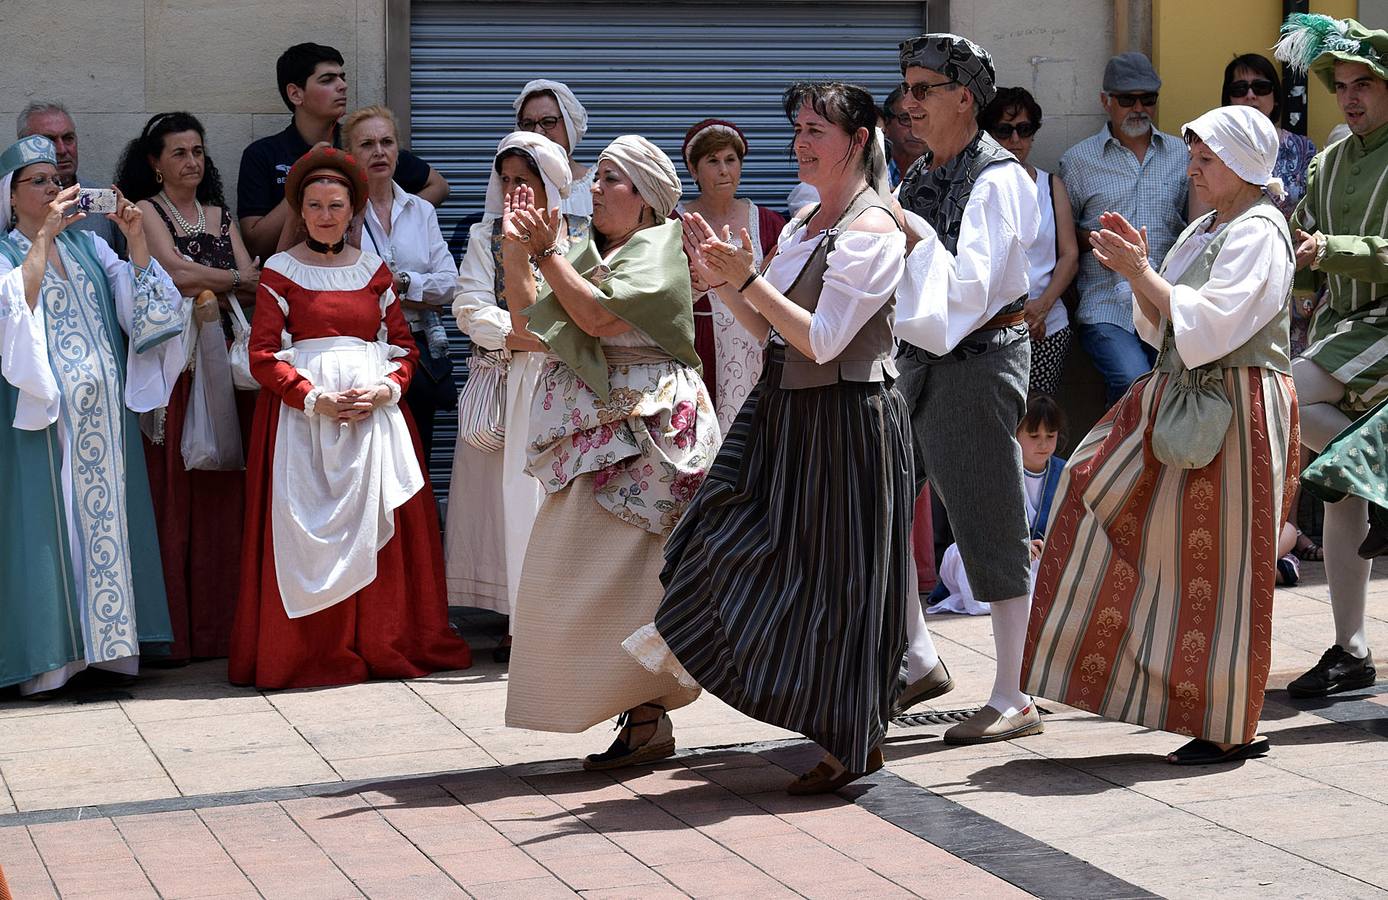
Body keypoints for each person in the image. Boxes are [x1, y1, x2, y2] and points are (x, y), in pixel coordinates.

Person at [636, 81, 926, 794]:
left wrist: (748, 279)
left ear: (858, 142)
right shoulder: (801, 226)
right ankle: (842, 714)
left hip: (850, 420)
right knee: (720, 544)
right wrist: (725, 282)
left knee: (844, 587)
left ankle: (854, 736)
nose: (800, 142)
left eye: (816, 131)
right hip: (788, 415)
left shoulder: (874, 230)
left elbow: (825, 342)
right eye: (797, 128)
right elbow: (769, 331)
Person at [1023, 105, 1298, 766]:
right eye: (1197, 156)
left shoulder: (1260, 230)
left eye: (1206, 158)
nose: (1194, 169)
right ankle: (1147, 687)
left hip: (1237, 406)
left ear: (1240, 164)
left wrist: (1140, 273)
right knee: (1102, 500)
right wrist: (1138, 272)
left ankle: (1230, 724)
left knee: (1225, 566)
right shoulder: (1211, 225)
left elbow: (1214, 322)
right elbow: (1162, 323)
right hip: (1192, 399)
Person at [501, 135, 719, 770]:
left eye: (609, 179)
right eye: (593, 177)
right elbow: (527, 325)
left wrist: (546, 253)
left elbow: (595, 317)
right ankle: (643, 715)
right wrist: (520, 248)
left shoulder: (663, 247)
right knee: (575, 575)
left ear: (646, 199)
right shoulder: (589, 250)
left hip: (649, 435)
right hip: (598, 434)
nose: (592, 188)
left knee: (632, 581)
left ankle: (647, 715)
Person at [228, 146, 472, 689]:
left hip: (373, 420)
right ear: (300, 209)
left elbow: (404, 347)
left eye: (335, 204)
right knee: (304, 535)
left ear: (352, 208)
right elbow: (263, 354)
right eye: (313, 204)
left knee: (381, 529)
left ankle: (382, 640)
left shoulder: (373, 270)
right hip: (303, 423)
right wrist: (312, 396)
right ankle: (313, 650)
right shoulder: (279, 271)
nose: (324, 214)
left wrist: (386, 390)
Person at [892, 32, 1043, 745]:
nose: (909, 103)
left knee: (989, 520)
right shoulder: (919, 175)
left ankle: (1015, 693)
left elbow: (974, 288)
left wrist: (910, 236)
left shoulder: (1000, 177)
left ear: (963, 97)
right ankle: (917, 655)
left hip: (979, 362)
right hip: (919, 362)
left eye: (923, 89)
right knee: (877, 503)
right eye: (908, 89)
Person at [0, 135, 186, 695]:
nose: (54, 189)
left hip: (104, 425)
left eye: (57, 180)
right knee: (50, 531)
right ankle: (51, 661)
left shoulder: (90, 247)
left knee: (103, 530)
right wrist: (44, 237)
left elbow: (148, 310)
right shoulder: (9, 254)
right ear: (11, 197)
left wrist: (135, 241)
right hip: (44, 426)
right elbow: (15, 309)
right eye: (39, 182)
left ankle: (107, 654)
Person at [115, 111, 262, 662]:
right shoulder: (147, 211)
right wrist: (227, 279)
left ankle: (222, 629)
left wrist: (223, 281)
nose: (191, 161)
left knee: (225, 489)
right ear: (155, 163)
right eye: (178, 152)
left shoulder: (222, 215)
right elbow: (172, 272)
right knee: (177, 492)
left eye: (198, 151)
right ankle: (175, 633)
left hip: (226, 363)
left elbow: (253, 283)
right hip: (176, 367)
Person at [1271, 14, 1388, 699]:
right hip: (1344, 326)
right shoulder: (1329, 160)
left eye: (1364, 85)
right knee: (1342, 489)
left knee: (1278, 391)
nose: (1349, 97)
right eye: (1340, 85)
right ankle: (1352, 649)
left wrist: (1328, 252)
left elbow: (1331, 250)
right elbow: (1304, 250)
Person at [446, 132, 588, 661]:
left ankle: (566, 615)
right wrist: (515, 334)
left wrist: (550, 336)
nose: (512, 191)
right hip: (509, 379)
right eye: (505, 180)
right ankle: (519, 617)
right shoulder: (486, 236)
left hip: (566, 383)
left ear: (549, 184)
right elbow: (468, 304)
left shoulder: (579, 238)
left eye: (523, 180)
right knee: (511, 502)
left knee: (560, 501)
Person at [1219, 54, 1325, 571]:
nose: (1250, 96)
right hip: (1239, 290)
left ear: (1276, 95)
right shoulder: (1215, 148)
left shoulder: (1305, 151)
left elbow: (1317, 220)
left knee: (1291, 415)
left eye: (1261, 87)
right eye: (1239, 89)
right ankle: (1265, 533)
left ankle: (1291, 528)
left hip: (1297, 296)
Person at [238, 43, 450, 261]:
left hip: (362, 277)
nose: (342, 86)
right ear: (295, 94)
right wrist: (305, 171)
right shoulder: (262, 153)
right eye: (328, 80)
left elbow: (439, 186)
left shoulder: (362, 144)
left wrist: (396, 219)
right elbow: (256, 245)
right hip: (294, 279)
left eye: (342, 77)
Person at [1061, 52, 1189, 406]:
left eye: (1147, 99)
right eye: (1126, 99)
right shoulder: (1078, 161)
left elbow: (1199, 226)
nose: (1138, 108)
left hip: (1168, 305)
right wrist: (1098, 242)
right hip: (1105, 306)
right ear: (1105, 101)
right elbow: (1061, 236)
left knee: (1170, 396)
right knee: (1133, 380)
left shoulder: (1183, 155)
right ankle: (1117, 461)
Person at [343, 105, 457, 458]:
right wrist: (419, 294)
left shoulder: (420, 211)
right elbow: (349, 289)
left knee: (416, 453)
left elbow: (451, 284)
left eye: (387, 142)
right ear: (351, 155)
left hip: (416, 348)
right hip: (362, 349)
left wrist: (401, 283)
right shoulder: (343, 212)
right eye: (367, 144)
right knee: (370, 455)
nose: (379, 151)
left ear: (398, 151)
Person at [677, 118, 786, 431]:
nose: (724, 170)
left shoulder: (769, 223)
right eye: (712, 161)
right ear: (693, 170)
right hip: (700, 348)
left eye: (730, 160)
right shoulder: (674, 222)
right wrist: (694, 286)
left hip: (757, 347)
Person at [981, 87, 1079, 397]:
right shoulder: (977, 188)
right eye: (1004, 130)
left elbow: (1069, 255)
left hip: (1047, 324)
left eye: (1024, 130)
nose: (1015, 140)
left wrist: (1042, 308)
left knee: (1037, 424)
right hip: (991, 328)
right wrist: (1017, 315)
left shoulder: (1051, 186)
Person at [930, 393, 1066, 615]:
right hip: (998, 554)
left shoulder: (1066, 472)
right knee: (965, 556)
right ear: (1015, 433)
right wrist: (1017, 547)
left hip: (1039, 559)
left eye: (1050, 436)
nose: (1043, 444)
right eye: (1034, 436)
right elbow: (977, 527)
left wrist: (1048, 546)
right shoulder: (995, 470)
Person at [17, 101, 120, 249]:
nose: (62, 149)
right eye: (49, 141)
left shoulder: (101, 198)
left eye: (68, 138)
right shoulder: (11, 202)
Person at [514, 80, 593, 216]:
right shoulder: (511, 183)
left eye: (548, 122)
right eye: (528, 124)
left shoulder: (597, 186)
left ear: (570, 124)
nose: (537, 132)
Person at [882, 86, 928, 187]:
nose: (916, 131)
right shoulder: (869, 172)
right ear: (886, 124)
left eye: (923, 120)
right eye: (906, 119)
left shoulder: (943, 175)